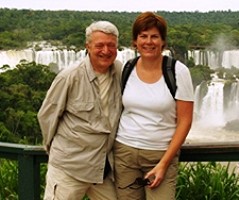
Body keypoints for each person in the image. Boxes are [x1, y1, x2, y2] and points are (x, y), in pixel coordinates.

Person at [37, 20, 122, 200]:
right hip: (69, 168)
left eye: (111, 45)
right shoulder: (69, 76)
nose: (106, 51)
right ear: (88, 46)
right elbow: (47, 116)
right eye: (99, 45)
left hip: (102, 168)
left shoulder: (121, 73)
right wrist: (58, 151)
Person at [114, 11, 194, 200]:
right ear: (135, 41)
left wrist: (164, 164)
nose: (148, 42)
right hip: (125, 152)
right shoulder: (126, 68)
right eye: (143, 36)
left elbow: (185, 121)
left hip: (160, 154)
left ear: (163, 41)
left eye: (154, 37)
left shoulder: (177, 71)